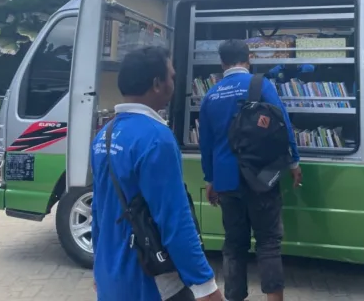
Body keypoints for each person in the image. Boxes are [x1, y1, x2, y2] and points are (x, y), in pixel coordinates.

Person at [91, 46, 223, 301]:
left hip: (111, 279)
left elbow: (99, 210)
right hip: (149, 280)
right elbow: (175, 220)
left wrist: (99, 268)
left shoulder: (104, 136)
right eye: (171, 76)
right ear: (157, 84)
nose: (174, 82)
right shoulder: (156, 138)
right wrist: (205, 286)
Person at [199, 39, 302, 301]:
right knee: (268, 242)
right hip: (262, 176)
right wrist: (293, 162)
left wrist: (210, 179)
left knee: (234, 244)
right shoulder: (261, 85)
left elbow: (206, 144)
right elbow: (283, 124)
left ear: (221, 63)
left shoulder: (211, 95)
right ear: (249, 58)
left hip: (226, 180)